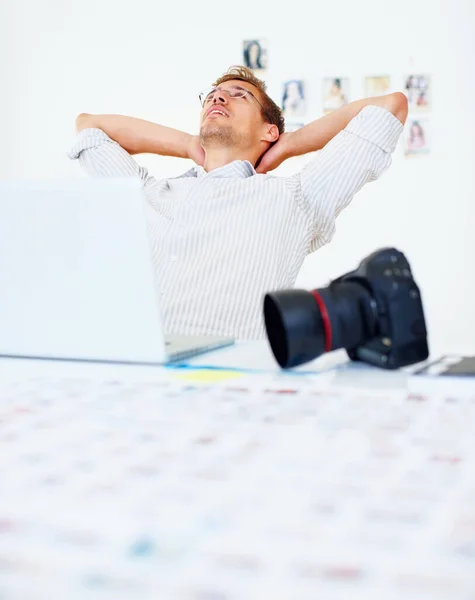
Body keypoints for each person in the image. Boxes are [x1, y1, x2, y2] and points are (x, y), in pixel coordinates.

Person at [70, 65, 407, 339]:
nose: (219, 97)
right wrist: (188, 144)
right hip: (136, 379)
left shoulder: (296, 197)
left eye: (239, 95)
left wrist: (288, 145)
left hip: (233, 388)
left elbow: (389, 107)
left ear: (269, 131)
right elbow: (89, 127)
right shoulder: (150, 193)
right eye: (213, 96)